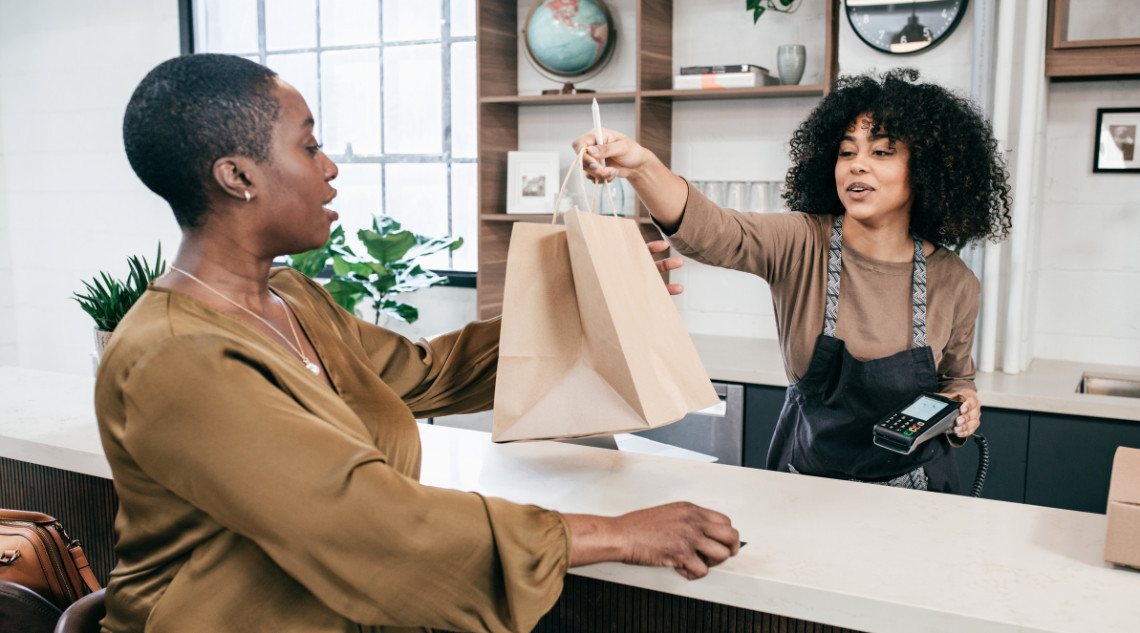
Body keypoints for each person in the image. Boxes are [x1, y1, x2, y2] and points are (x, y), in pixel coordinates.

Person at [96, 53, 739, 633]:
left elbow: (427, 373)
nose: (330, 167)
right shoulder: (177, 354)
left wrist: (592, 300)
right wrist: (616, 535)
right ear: (237, 176)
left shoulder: (292, 299)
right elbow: (366, 524)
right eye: (310, 146)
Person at [574, 69, 1012, 494]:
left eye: (881, 152)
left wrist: (964, 407)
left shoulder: (955, 281)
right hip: (806, 485)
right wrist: (641, 167)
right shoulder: (802, 242)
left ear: (926, 169)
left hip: (918, 492)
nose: (857, 165)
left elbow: (956, 378)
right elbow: (714, 231)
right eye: (846, 152)